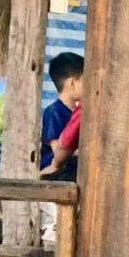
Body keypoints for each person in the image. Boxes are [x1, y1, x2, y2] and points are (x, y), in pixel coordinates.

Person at [39, 52, 84, 181]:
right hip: (55, 171)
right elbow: (58, 150)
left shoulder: (79, 112)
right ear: (72, 83)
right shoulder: (53, 112)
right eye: (86, 81)